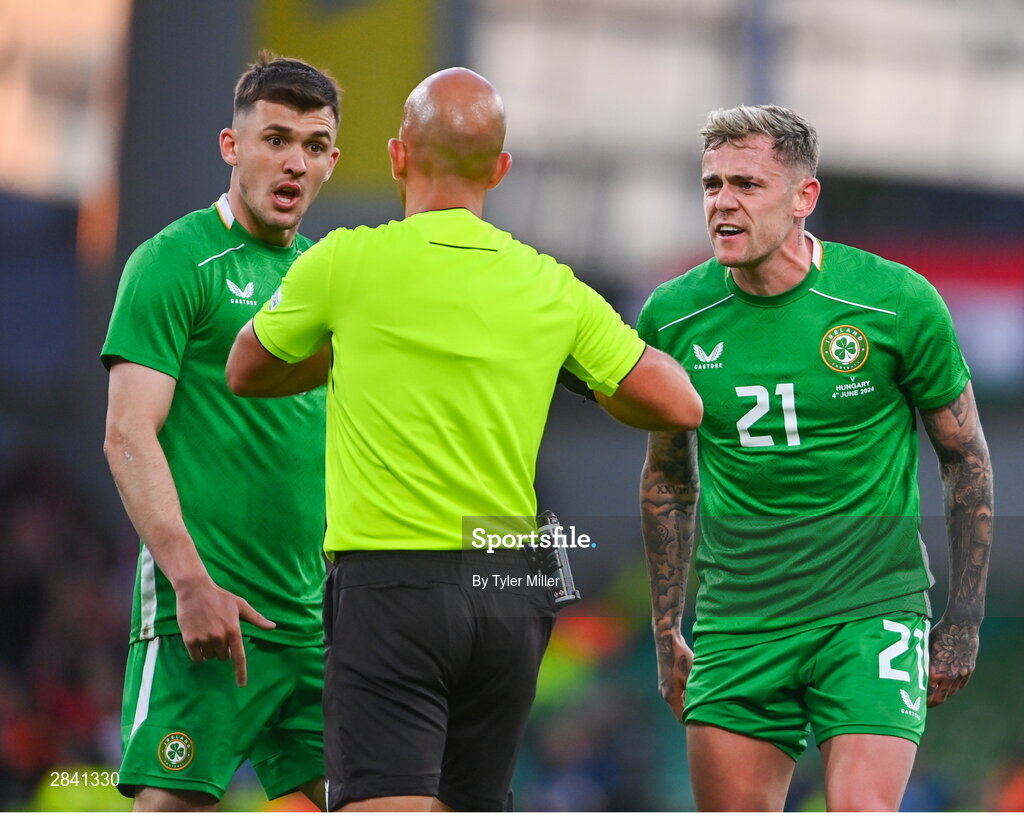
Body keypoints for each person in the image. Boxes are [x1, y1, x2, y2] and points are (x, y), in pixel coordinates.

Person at [226, 67, 702, 812]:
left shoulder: (346, 262)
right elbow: (679, 402)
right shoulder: (550, 285)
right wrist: (572, 372)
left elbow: (246, 369)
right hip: (513, 579)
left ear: (397, 156)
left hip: (393, 574)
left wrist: (350, 351)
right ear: (501, 170)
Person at [636, 103, 993, 811]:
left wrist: (963, 620)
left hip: (869, 611)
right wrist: (665, 629)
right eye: (711, 186)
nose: (723, 203)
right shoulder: (671, 317)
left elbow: (966, 461)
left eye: (746, 183)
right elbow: (668, 479)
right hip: (739, 622)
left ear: (805, 197)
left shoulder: (893, 302)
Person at [101, 53, 341, 811]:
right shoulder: (173, 262)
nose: (293, 161)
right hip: (204, 617)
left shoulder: (323, 280)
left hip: (313, 625)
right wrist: (188, 581)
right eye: (274, 138)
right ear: (231, 147)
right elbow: (128, 435)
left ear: (333, 161)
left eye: (312, 144)